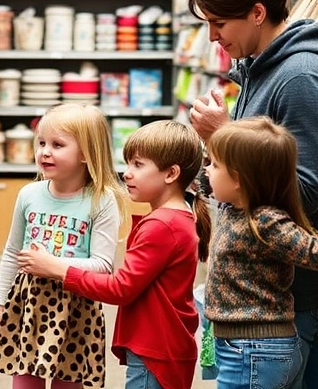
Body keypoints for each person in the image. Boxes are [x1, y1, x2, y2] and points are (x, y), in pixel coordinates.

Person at [187, 0, 318, 389]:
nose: (213, 36)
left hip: (284, 298)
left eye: (220, 23)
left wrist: (223, 135)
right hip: (264, 294)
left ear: (257, 13)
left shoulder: (301, 79)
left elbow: (305, 191)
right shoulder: (261, 69)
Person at [19, 120, 211, 389]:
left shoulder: (162, 225)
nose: (127, 173)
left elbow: (120, 288)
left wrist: (57, 268)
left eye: (138, 165)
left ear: (171, 174)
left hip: (154, 349)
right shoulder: (177, 216)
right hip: (162, 346)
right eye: (128, 163)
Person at [203, 118, 318, 389]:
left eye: (214, 165)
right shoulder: (233, 209)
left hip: (256, 349)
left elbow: (316, 253)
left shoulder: (265, 221)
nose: (207, 171)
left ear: (238, 179)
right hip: (240, 346)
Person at [0, 103, 127, 389]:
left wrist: (54, 266)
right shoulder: (28, 194)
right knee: (24, 382)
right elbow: (12, 253)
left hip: (75, 308)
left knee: (67, 384)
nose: (44, 152)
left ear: (86, 153)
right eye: (41, 143)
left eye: (57, 144)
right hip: (27, 305)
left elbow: (103, 265)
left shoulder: (101, 200)